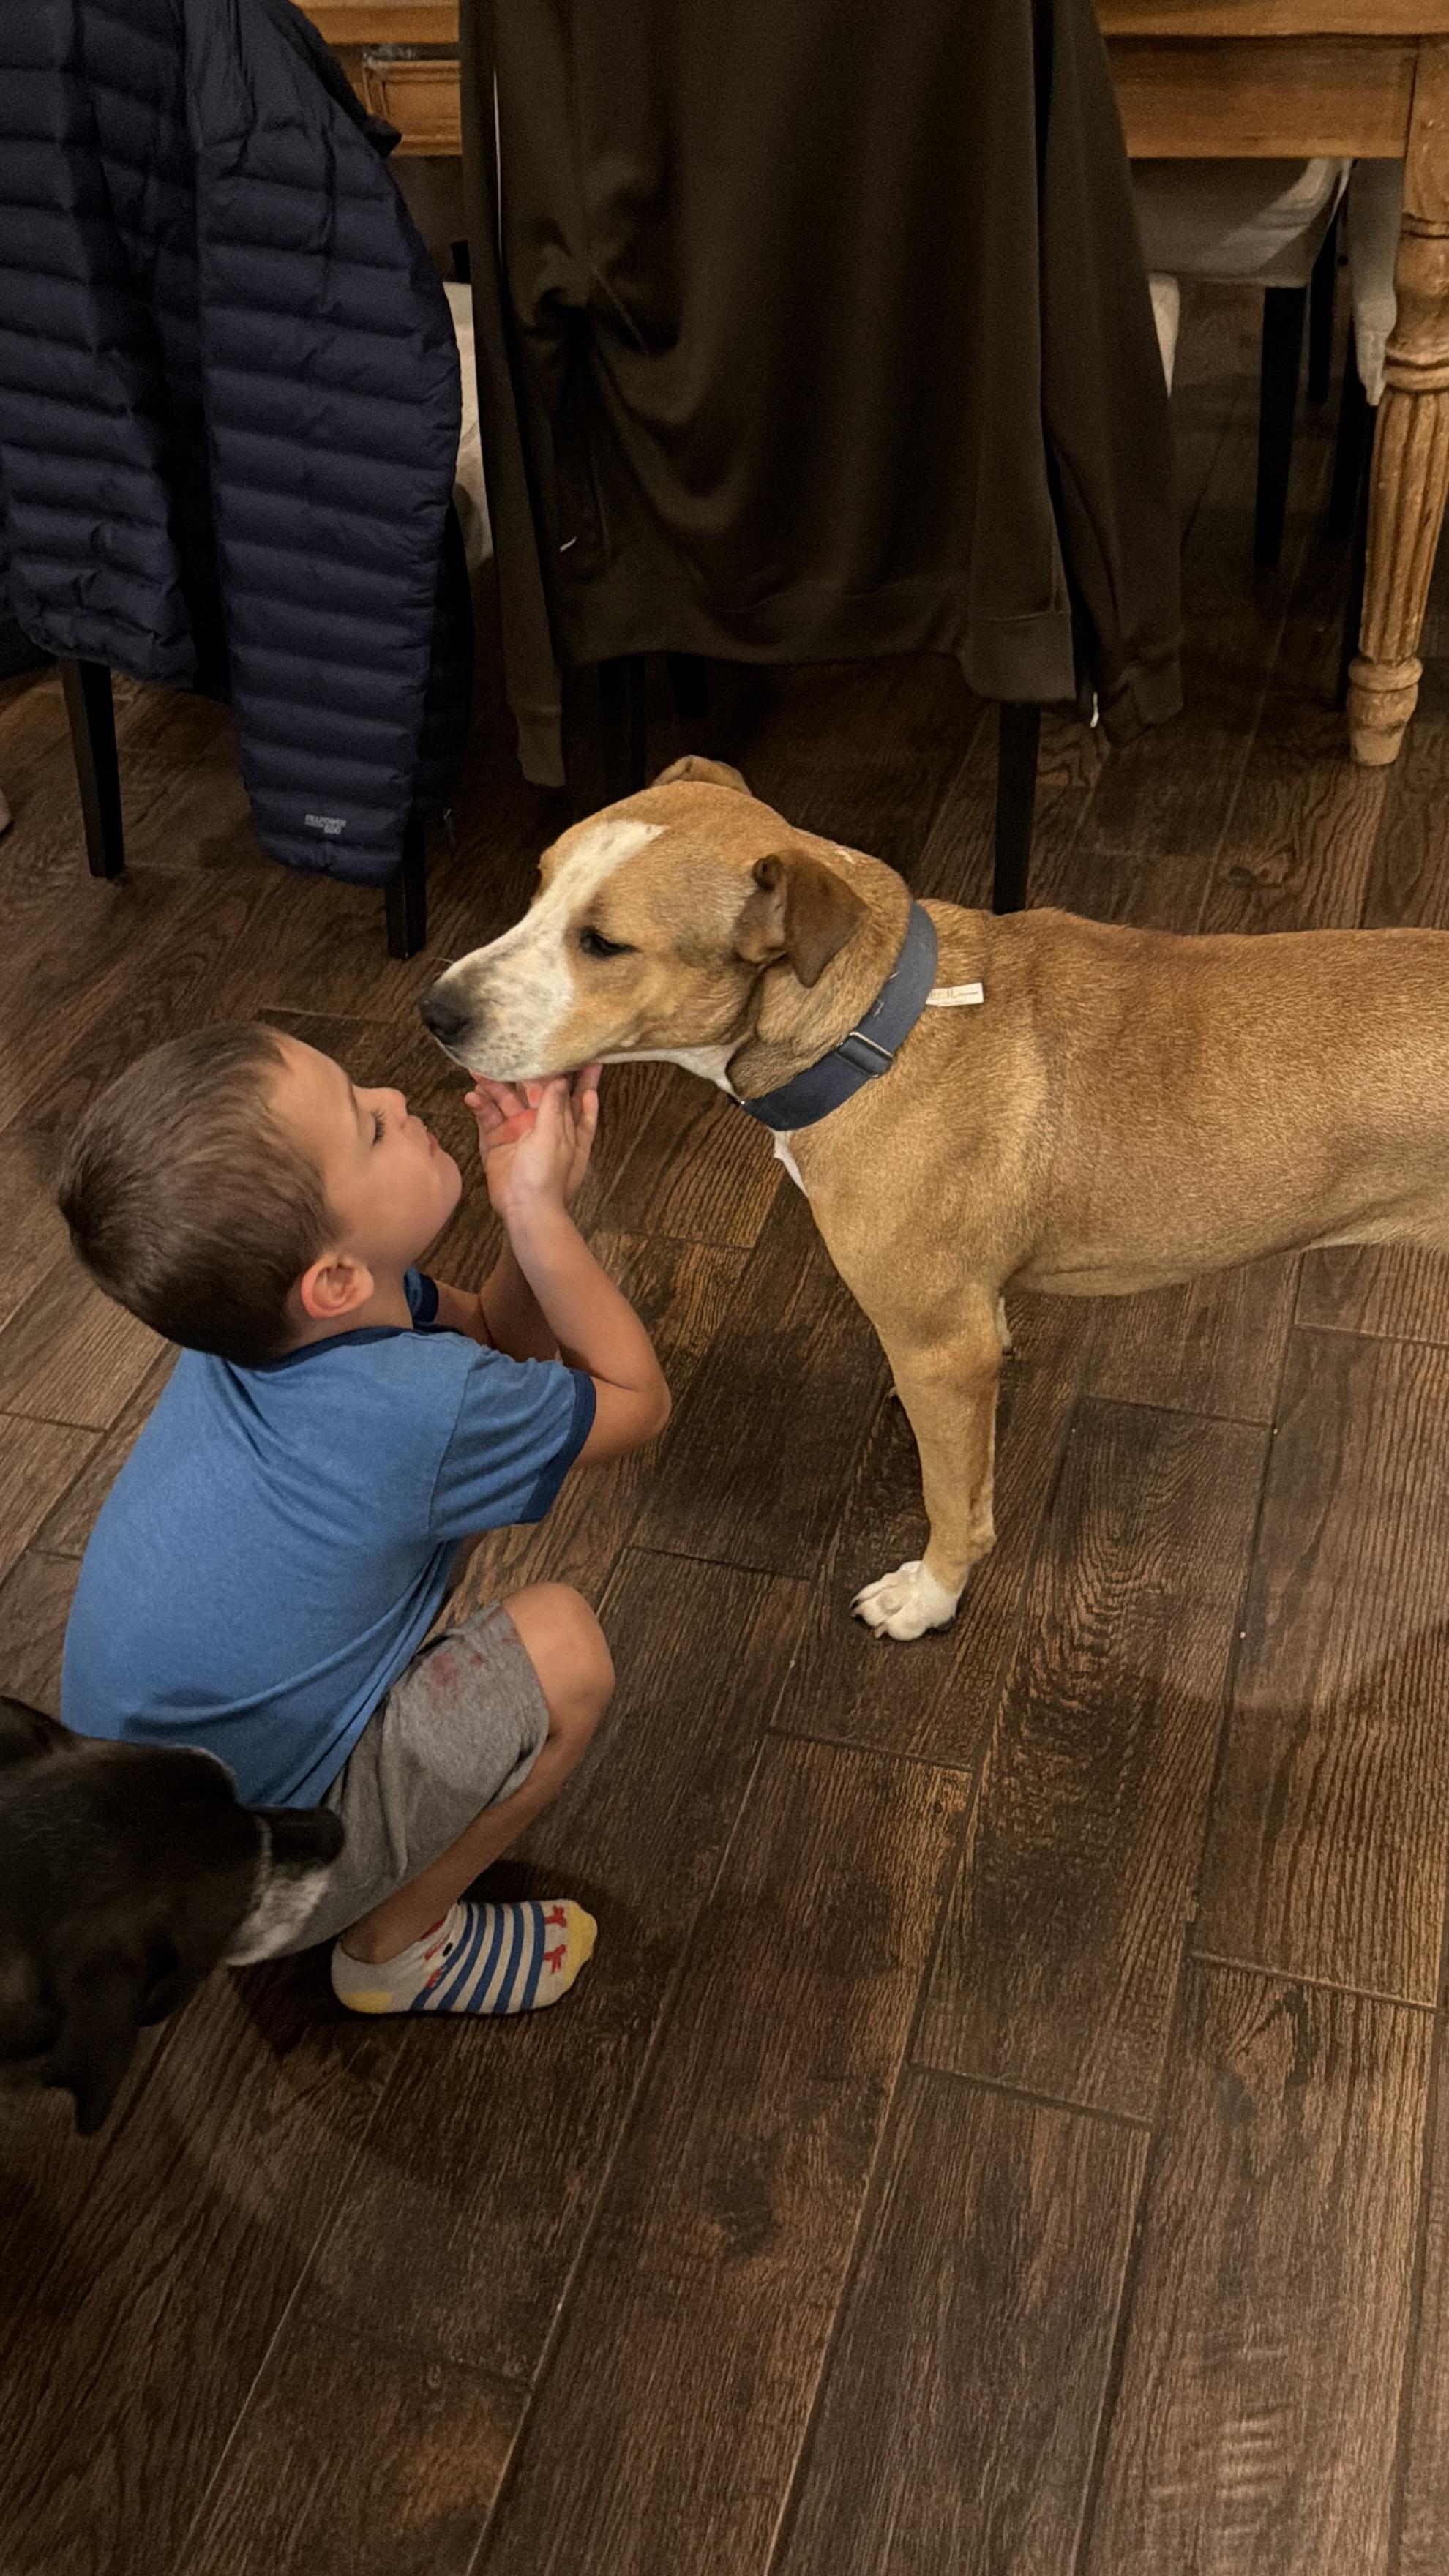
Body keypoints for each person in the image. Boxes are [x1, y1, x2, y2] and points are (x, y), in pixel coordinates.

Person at [56, 1024, 670, 2017]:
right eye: (367, 1126)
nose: (394, 1097)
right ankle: (394, 1949)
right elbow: (636, 1400)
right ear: (335, 1281)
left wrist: (527, 1208)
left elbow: (494, 1346)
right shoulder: (413, 1408)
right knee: (565, 1651)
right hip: (253, 1884)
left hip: (139, 1842)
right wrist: (544, 1215)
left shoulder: (270, 1325)